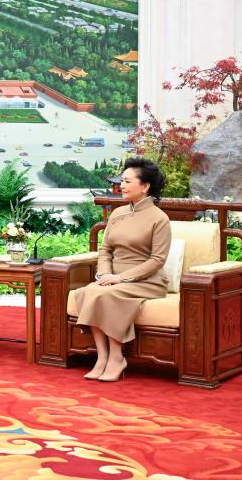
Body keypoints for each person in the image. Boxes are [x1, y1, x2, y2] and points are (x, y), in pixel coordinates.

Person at [73, 157, 171, 382]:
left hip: (147, 281)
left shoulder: (159, 219)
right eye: (121, 181)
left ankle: (117, 357)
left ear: (145, 186)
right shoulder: (117, 214)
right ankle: (103, 356)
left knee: (102, 293)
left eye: (127, 181)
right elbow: (105, 249)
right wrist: (104, 274)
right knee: (90, 290)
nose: (121, 186)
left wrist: (120, 278)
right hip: (111, 277)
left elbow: (157, 260)